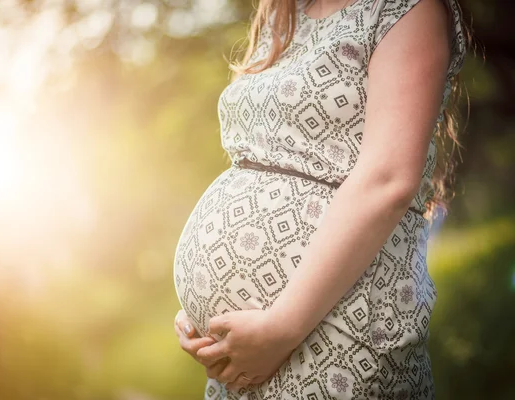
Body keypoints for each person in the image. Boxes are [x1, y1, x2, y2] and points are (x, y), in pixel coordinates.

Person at [172, 0, 470, 398]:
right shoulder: (286, 13)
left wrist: (281, 327)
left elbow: (388, 179)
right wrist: (204, 315)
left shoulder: (404, 9)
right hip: (254, 347)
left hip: (336, 328)